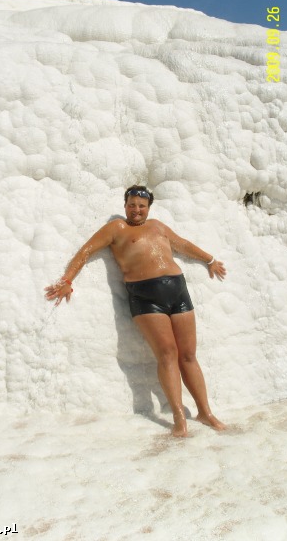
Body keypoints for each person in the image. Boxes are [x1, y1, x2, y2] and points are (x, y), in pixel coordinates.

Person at [45, 185, 226, 437]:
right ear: (125, 205)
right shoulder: (116, 228)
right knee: (167, 353)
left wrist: (210, 260)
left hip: (178, 292)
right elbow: (86, 251)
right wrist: (67, 280)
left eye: (141, 206)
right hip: (145, 296)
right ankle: (178, 418)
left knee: (188, 356)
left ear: (149, 207)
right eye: (132, 205)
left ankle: (205, 412)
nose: (136, 210)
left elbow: (182, 245)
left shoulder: (158, 226)